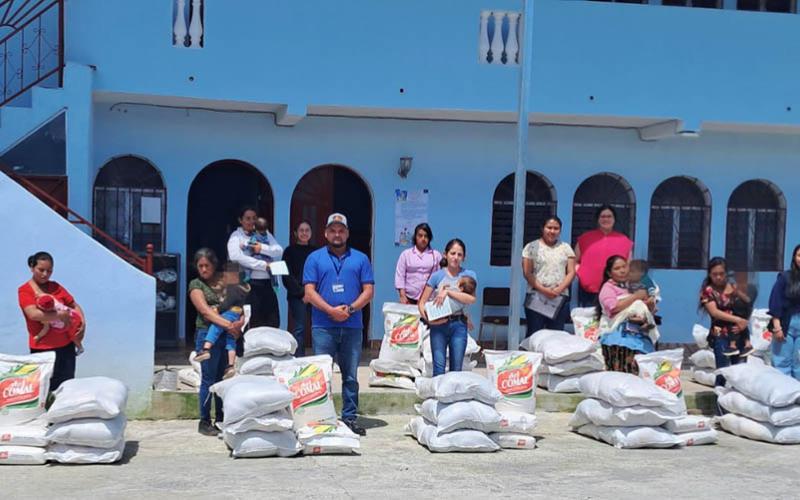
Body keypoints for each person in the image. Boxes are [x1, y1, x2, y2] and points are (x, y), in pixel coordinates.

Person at [303, 213, 374, 436]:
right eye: (332, 230)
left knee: (350, 376)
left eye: (341, 230)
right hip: (323, 326)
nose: (337, 234)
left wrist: (350, 309)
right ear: (325, 233)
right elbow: (309, 292)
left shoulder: (361, 259)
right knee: (322, 375)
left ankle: (349, 418)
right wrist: (330, 310)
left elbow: (369, 291)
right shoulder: (314, 258)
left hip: (352, 327)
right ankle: (322, 417)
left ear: (347, 233)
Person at [188, 248, 245, 436]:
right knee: (208, 379)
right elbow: (205, 312)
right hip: (207, 334)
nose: (204, 269)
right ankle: (204, 420)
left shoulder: (224, 283)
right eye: (200, 266)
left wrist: (239, 323)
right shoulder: (196, 285)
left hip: (225, 337)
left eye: (207, 265)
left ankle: (221, 417)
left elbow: (239, 305)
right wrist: (229, 325)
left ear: (214, 266)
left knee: (224, 378)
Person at [18, 252, 86, 391]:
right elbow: (34, 314)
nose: (45, 274)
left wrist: (83, 322)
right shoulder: (25, 290)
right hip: (43, 349)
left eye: (49, 271)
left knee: (66, 387)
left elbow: (73, 305)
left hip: (66, 346)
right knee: (44, 389)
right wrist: (60, 315)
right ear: (32, 267)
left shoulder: (56, 287)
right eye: (41, 270)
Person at [418, 238, 477, 377]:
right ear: (445, 254)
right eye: (453, 253)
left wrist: (449, 292)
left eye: (459, 254)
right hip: (438, 326)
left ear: (464, 257)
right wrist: (429, 321)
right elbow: (421, 303)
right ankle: (439, 397)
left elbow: (472, 299)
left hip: (458, 324)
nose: (455, 257)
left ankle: (453, 398)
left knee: (456, 369)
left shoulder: (469, 276)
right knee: (438, 368)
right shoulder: (436, 276)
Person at [595, 255, 657, 374]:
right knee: (624, 349)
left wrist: (649, 303)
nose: (622, 271)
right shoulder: (607, 288)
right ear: (609, 273)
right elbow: (613, 307)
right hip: (617, 329)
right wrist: (635, 297)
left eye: (624, 267)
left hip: (638, 331)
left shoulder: (634, 284)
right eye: (617, 268)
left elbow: (649, 307)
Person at [227, 206, 283, 328]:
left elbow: (278, 250)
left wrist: (262, 248)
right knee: (252, 321)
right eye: (248, 218)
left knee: (272, 320)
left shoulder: (265, 234)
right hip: (249, 285)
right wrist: (263, 265)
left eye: (254, 218)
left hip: (267, 284)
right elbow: (235, 256)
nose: (252, 221)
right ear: (240, 220)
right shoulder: (237, 236)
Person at [194, 262, 250, 379]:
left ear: (234, 275)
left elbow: (226, 303)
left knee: (216, 327)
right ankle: (230, 365)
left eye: (226, 273)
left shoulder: (234, 289)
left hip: (229, 313)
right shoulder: (245, 288)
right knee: (231, 340)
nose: (224, 276)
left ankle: (206, 349)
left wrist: (217, 310)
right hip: (237, 313)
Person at [699, 257, 754, 374]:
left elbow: (747, 303)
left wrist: (743, 323)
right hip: (721, 334)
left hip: (738, 333)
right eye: (715, 274)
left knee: (740, 371)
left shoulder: (733, 287)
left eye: (721, 274)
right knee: (723, 371)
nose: (718, 277)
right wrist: (738, 319)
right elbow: (715, 312)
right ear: (709, 274)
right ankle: (720, 390)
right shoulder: (708, 291)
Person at [522, 216, 575, 335]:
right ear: (542, 228)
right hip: (536, 296)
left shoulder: (566, 248)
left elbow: (571, 272)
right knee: (534, 333)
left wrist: (558, 290)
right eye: (549, 227)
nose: (552, 231)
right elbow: (527, 272)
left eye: (556, 228)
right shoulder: (531, 247)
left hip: (559, 297)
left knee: (556, 335)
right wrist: (544, 290)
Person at [575, 205, 634, 307]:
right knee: (590, 321)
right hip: (589, 291)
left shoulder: (624, 240)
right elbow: (574, 261)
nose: (606, 219)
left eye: (609, 216)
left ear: (614, 219)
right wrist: (581, 273)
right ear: (598, 219)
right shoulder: (585, 238)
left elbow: (628, 265)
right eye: (603, 216)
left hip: (615, 291)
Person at [282, 220, 317, 356]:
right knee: (299, 328)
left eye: (307, 230)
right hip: (297, 296)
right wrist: (302, 292)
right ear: (296, 233)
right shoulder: (289, 251)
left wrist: (312, 292)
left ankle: (319, 357)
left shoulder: (316, 252)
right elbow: (286, 275)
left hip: (315, 296)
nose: (304, 233)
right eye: (301, 230)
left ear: (311, 233)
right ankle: (299, 358)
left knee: (318, 328)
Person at [768, 244, 800, 380]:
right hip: (786, 323)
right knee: (782, 362)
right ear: (794, 258)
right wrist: (777, 326)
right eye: (799, 255)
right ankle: (783, 395)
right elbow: (776, 302)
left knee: (798, 363)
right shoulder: (785, 277)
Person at [395, 223, 442, 305]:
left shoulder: (436, 255)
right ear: (415, 237)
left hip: (429, 299)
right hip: (409, 299)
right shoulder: (406, 254)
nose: (423, 239)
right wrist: (402, 296)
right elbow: (400, 276)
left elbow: (441, 277)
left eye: (426, 236)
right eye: (420, 235)